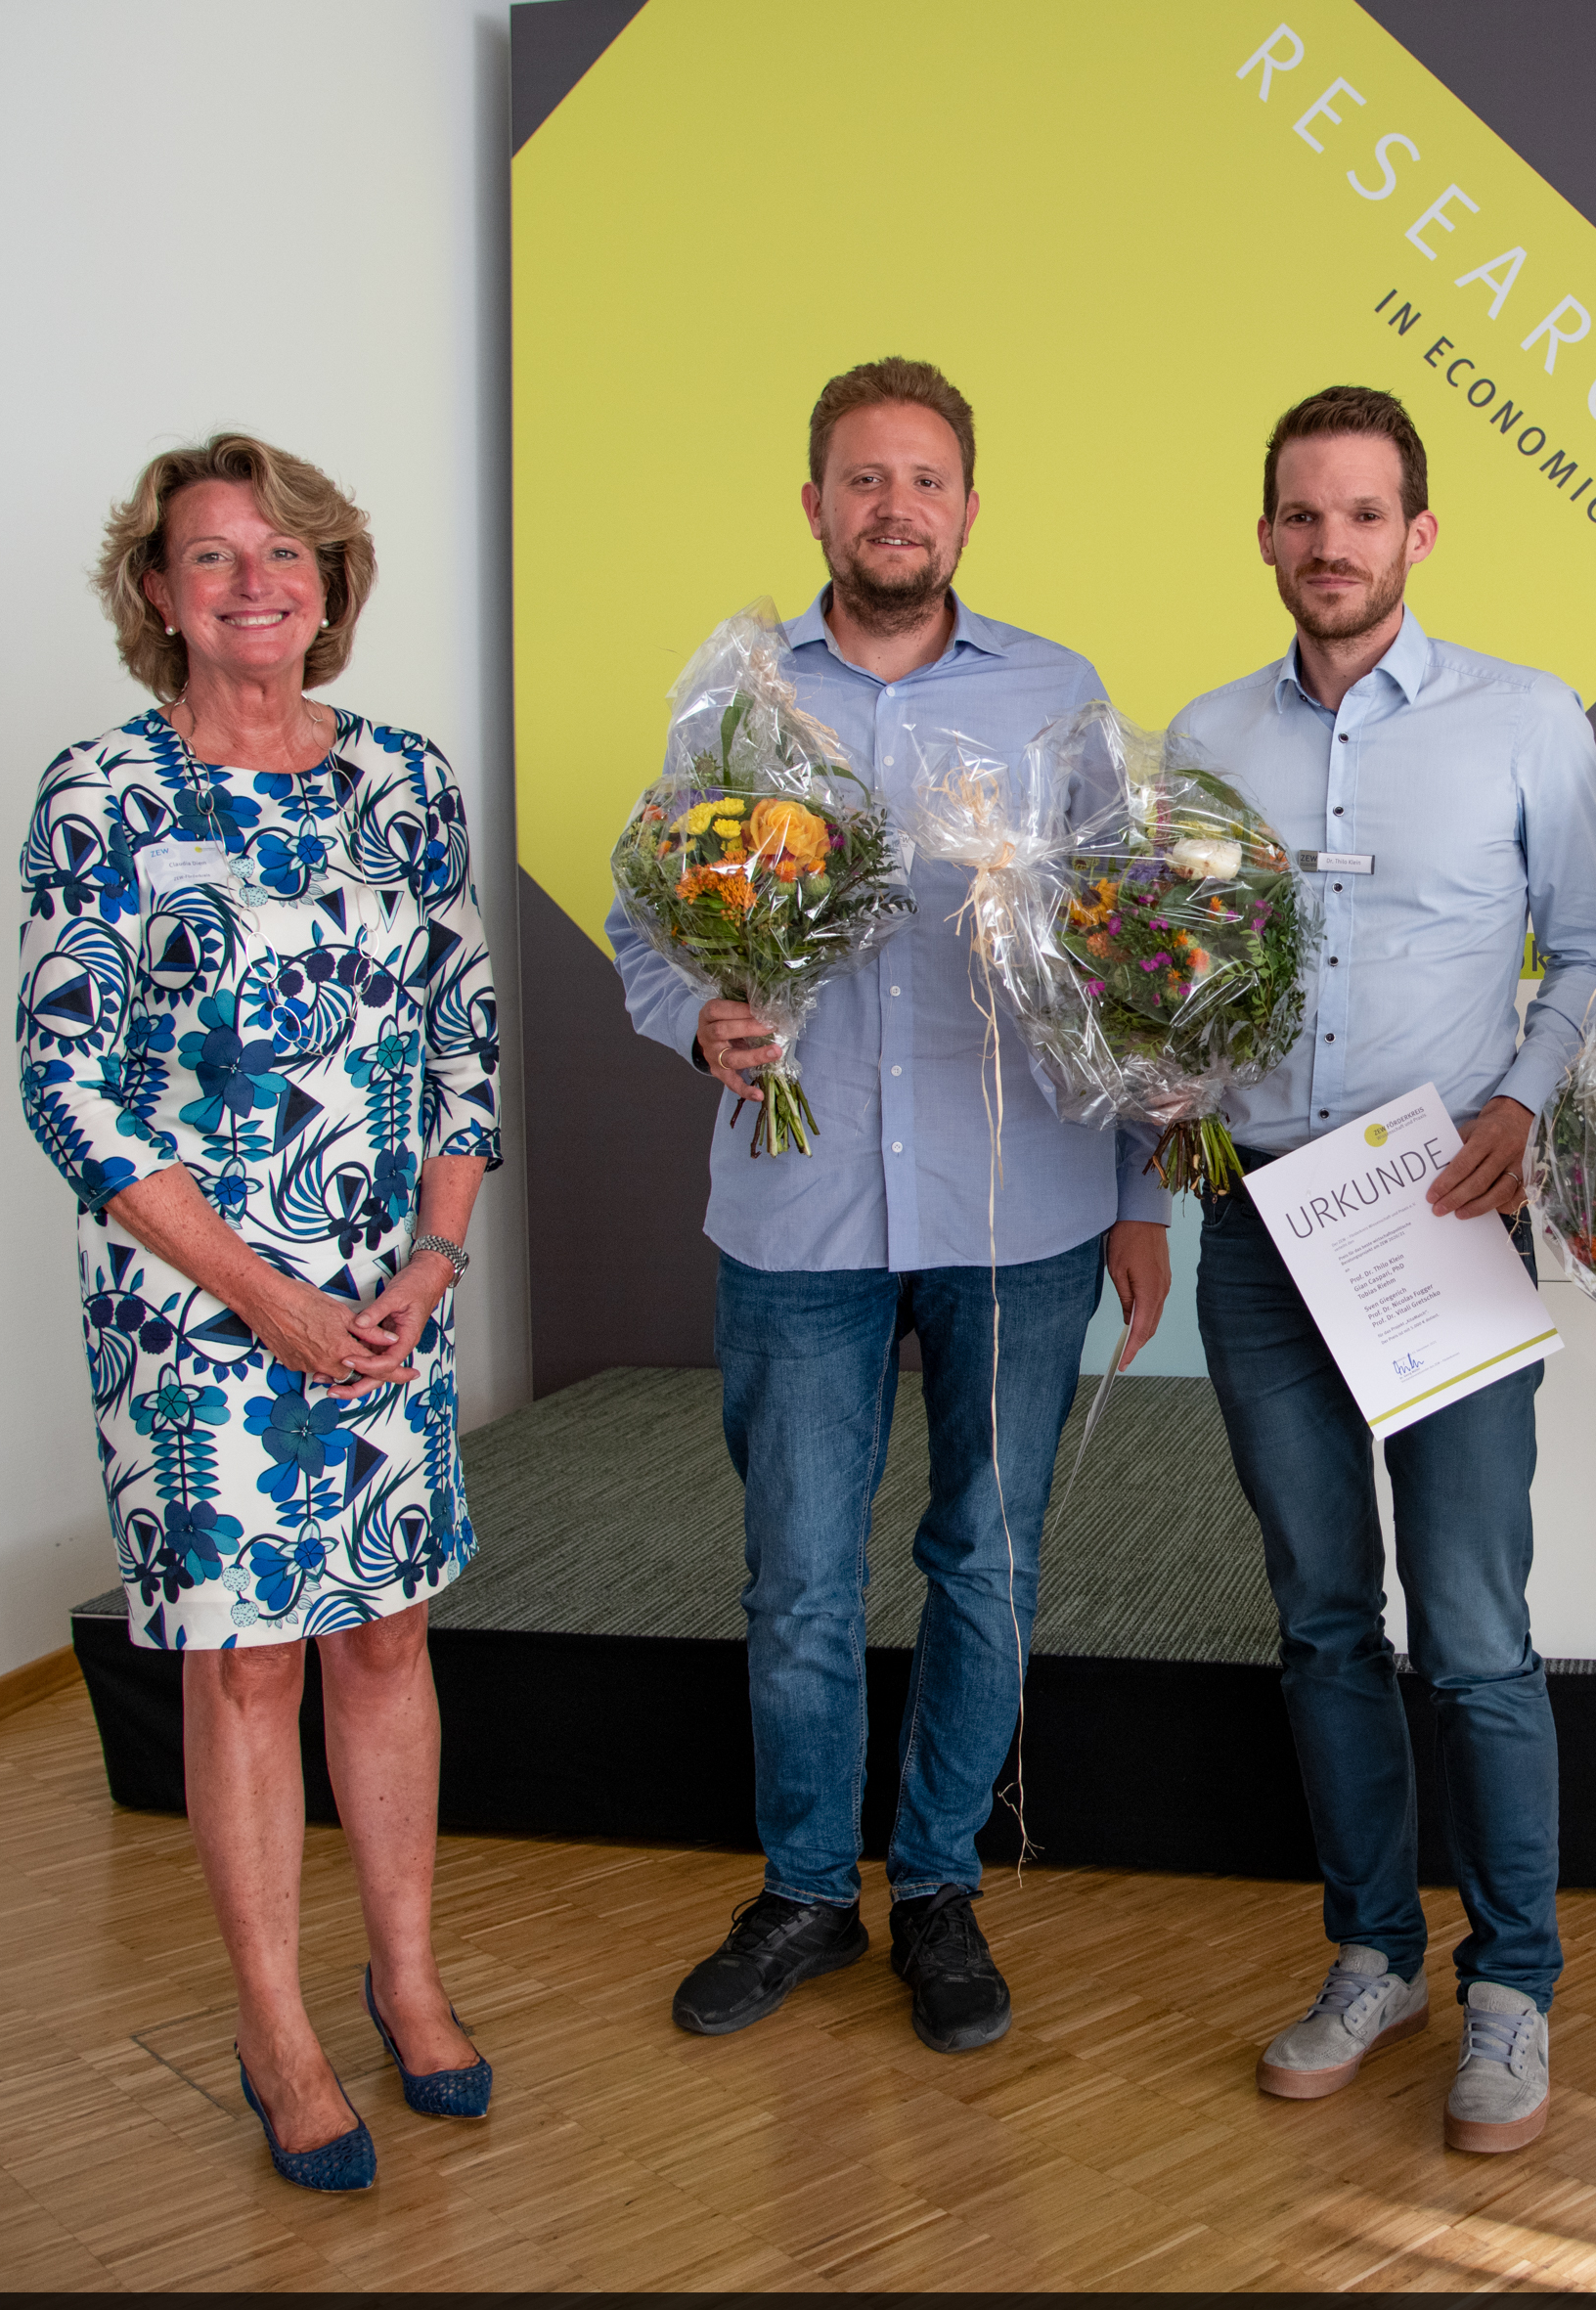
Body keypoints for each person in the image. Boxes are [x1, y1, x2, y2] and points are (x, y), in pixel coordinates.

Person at [610, 357, 1172, 2056]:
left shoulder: (1058, 696)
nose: (895, 507)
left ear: (969, 509)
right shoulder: (735, 705)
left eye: (925, 479)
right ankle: (803, 1890)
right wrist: (697, 1016)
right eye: (864, 478)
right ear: (815, 505)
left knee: (987, 1562)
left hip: (1024, 1209)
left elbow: (1131, 962)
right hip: (800, 1212)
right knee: (798, 1578)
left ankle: (936, 1883)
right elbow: (649, 917)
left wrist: (1140, 1192)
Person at [17, 434, 505, 2192]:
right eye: (214, 556)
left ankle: (406, 1976)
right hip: (199, 1312)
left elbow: (461, 1042)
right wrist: (264, 1294)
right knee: (248, 1664)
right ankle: (274, 2027)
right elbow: (69, 1087)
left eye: (286, 553)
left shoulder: (406, 779)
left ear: (331, 583)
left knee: (384, 1637)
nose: (255, 583)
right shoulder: (101, 792)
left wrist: (432, 1263)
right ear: (157, 592)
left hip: (388, 1296)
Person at [1168, 386, 1596, 2155]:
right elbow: (1172, 962)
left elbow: (1585, 945)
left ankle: (1514, 1981)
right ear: (1264, 536)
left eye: (1365, 514)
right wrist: (1163, 1082)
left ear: (1417, 534)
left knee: (1478, 1630)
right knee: (1320, 1619)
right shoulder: (1206, 735)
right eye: (1303, 514)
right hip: (1261, 1229)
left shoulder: (1526, 717)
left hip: (1438, 1209)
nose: (1332, 544)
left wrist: (1522, 1100)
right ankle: (1373, 1953)